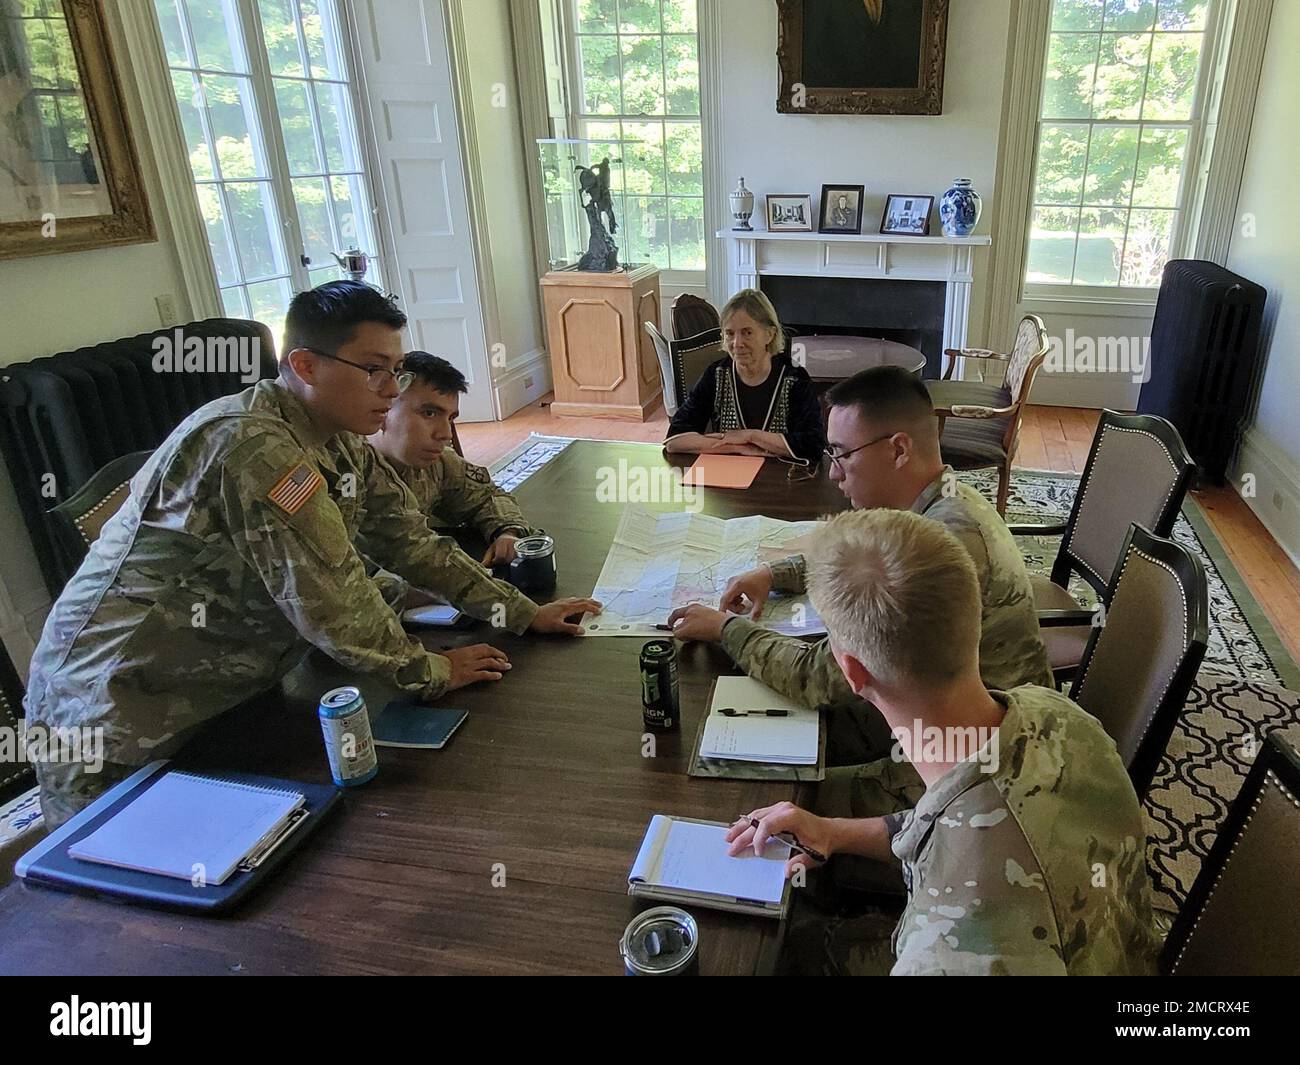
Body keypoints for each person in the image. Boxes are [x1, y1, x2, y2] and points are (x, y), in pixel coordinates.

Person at [24, 281, 598, 827]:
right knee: (118, 907)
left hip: (225, 697)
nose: (392, 391)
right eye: (373, 371)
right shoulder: (255, 446)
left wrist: (520, 611)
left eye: (395, 372)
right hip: (114, 715)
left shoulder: (340, 439)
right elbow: (335, 601)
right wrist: (432, 671)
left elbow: (410, 541)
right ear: (305, 366)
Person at [725, 508, 1160, 975]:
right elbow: (943, 821)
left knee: (777, 950)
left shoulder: (944, 953)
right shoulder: (1057, 712)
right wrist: (835, 832)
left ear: (851, 672)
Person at [667, 366, 1052, 772]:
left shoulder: (945, 544)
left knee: (748, 775)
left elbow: (819, 678)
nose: (833, 473)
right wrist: (774, 574)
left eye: (842, 454)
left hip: (978, 761)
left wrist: (726, 630)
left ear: (899, 450)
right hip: (953, 723)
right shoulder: (940, 501)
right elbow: (867, 549)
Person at [368, 351, 535, 567]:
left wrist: (507, 532)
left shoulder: (440, 463)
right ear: (383, 408)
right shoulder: (348, 472)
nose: (446, 434)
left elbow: (487, 497)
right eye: (429, 413)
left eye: (450, 418)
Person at [663, 289, 824, 467]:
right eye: (730, 333)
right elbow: (674, 440)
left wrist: (750, 436)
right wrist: (733, 447)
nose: (737, 343)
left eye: (747, 332)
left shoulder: (794, 378)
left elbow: (812, 446)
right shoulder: (716, 375)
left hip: (782, 483)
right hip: (728, 480)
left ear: (769, 335)